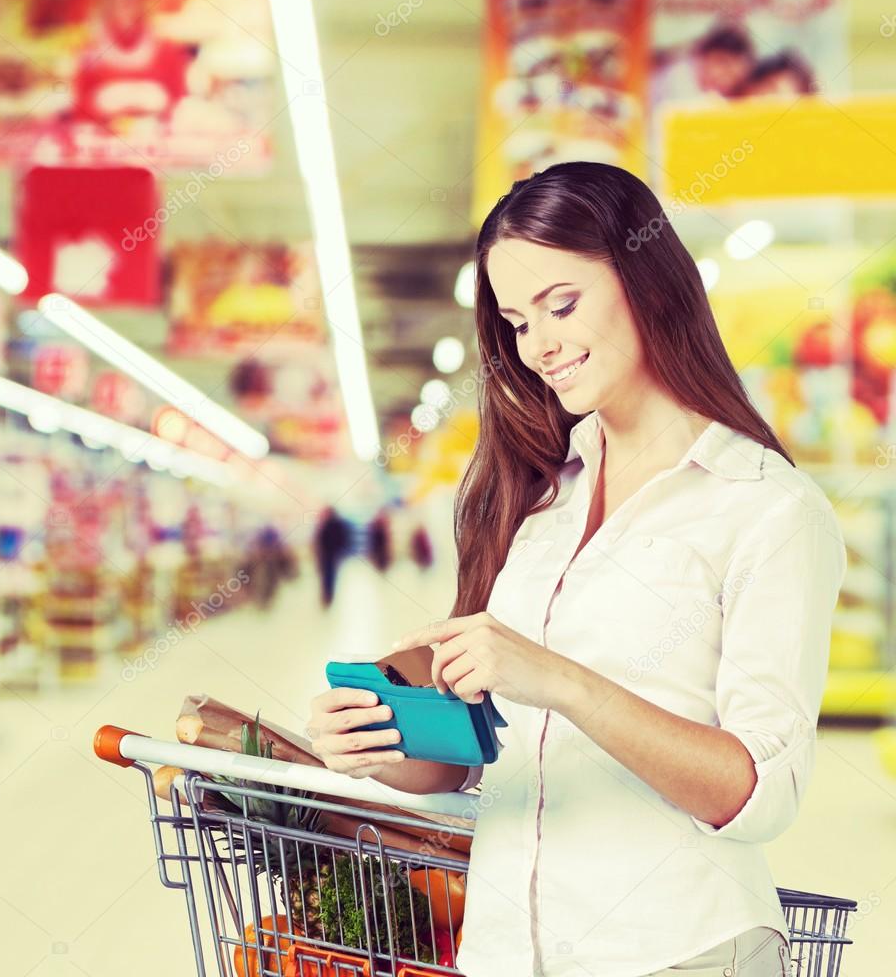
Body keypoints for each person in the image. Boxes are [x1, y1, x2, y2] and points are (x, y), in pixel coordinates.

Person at [306, 162, 846, 976]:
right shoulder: (535, 496)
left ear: (648, 280)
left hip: (677, 950)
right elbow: (475, 754)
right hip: (505, 951)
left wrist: (558, 679)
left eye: (562, 304)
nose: (541, 346)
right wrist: (382, 744)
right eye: (519, 322)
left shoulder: (767, 508)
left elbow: (760, 792)